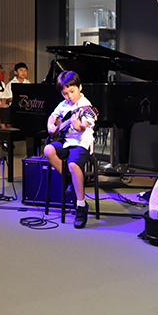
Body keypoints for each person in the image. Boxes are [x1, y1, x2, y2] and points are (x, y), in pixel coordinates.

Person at [44, 70, 96, 228]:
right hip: (65, 141)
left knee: (73, 164)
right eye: (65, 93)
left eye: (72, 91)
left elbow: (82, 128)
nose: (69, 96)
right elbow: (52, 117)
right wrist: (50, 125)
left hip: (81, 142)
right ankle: (69, 179)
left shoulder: (87, 107)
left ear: (79, 87)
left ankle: (81, 205)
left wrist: (77, 126)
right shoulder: (64, 104)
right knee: (48, 150)